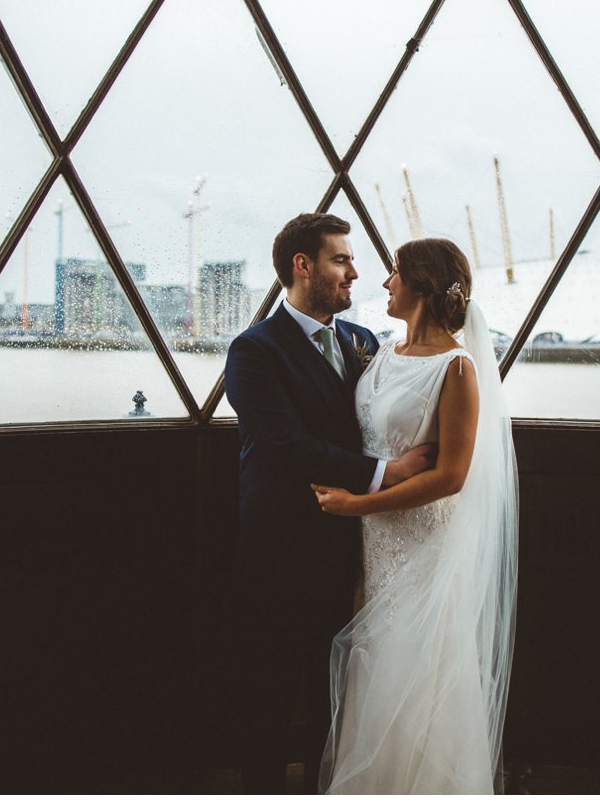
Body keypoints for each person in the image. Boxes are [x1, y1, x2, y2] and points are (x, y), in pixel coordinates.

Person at [224, 213, 435, 794]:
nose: (354, 272)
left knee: (339, 694)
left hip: (359, 548)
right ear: (303, 266)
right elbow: (284, 446)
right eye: (341, 259)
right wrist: (386, 472)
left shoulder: (363, 342)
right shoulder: (254, 351)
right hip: (281, 552)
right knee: (268, 694)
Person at [312, 238, 519, 794]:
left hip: (422, 550)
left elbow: (451, 476)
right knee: (374, 673)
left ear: (422, 286)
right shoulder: (382, 351)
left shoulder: (458, 370)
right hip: (372, 550)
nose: (384, 282)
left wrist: (360, 503)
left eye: (395, 273)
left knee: (412, 674)